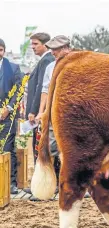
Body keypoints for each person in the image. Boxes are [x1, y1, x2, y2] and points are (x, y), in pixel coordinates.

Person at [36, 35, 72, 193]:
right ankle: (58, 182)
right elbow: (45, 90)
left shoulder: (76, 65)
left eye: (55, 49)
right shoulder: (50, 67)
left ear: (66, 48)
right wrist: (41, 112)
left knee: (71, 148)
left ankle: (72, 182)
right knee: (52, 147)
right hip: (53, 113)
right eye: (51, 49)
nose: (52, 52)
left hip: (72, 115)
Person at [23, 32, 54, 195]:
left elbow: (41, 89)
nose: (33, 47)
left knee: (40, 149)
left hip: (39, 113)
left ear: (45, 44)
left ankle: (41, 187)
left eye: (35, 44)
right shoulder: (44, 61)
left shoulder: (47, 61)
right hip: (39, 112)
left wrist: (34, 111)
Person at [0, 38, 23, 194]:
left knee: (8, 148)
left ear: (4, 50)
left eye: (0, 49)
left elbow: (18, 91)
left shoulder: (14, 68)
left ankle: (11, 183)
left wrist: (8, 108)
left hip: (7, 115)